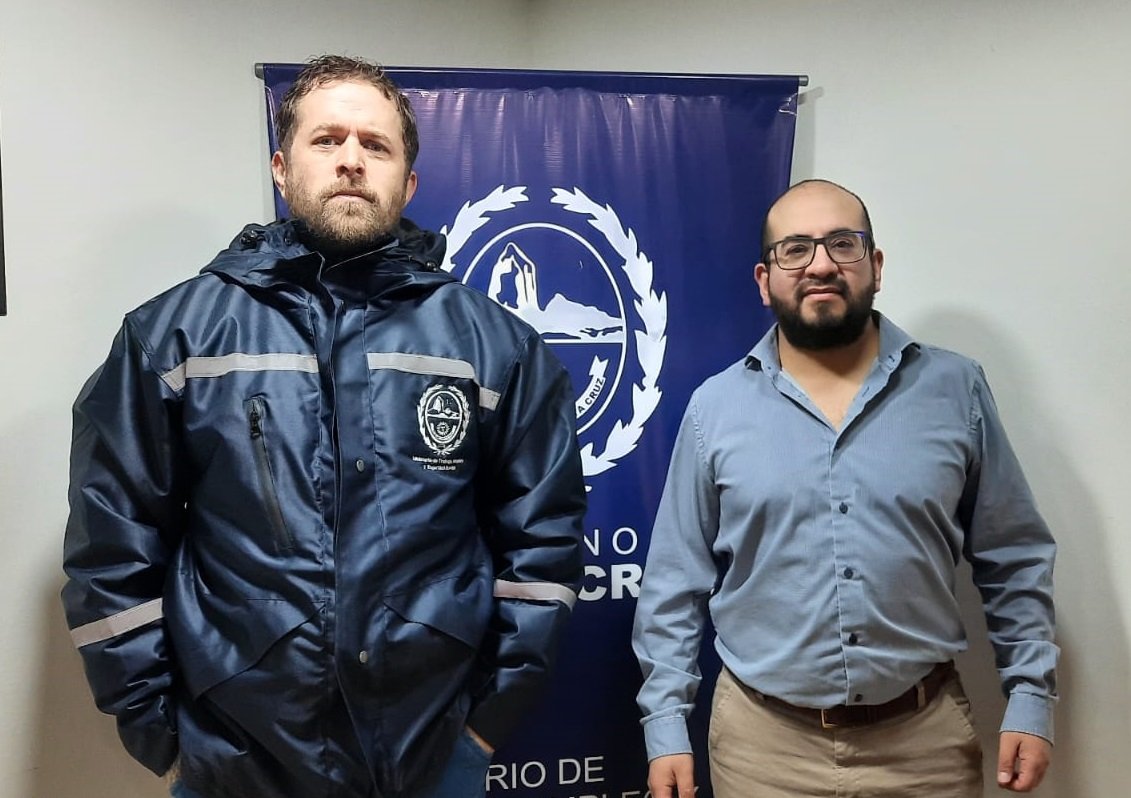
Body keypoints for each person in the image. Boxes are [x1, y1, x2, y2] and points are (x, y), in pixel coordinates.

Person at [62, 55, 586, 798]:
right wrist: (161, 736)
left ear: (407, 182)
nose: (350, 160)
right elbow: (111, 547)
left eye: (375, 145)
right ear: (281, 169)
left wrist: (485, 725)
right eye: (327, 140)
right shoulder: (175, 338)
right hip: (232, 763)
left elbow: (543, 543)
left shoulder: (496, 347)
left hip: (432, 757)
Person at [632, 179, 1057, 797]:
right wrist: (666, 724)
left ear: (875, 265)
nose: (821, 265)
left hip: (926, 751)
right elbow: (674, 581)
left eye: (842, 243)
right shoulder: (714, 409)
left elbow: (1013, 555)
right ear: (765, 280)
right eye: (795, 249)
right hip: (761, 754)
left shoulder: (956, 390)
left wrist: (1031, 696)